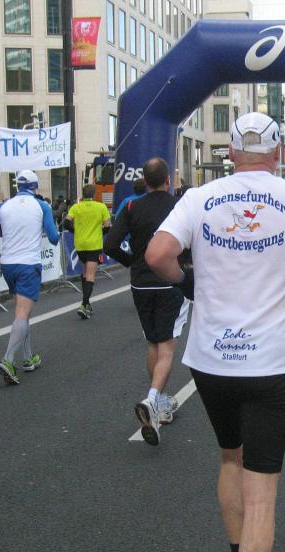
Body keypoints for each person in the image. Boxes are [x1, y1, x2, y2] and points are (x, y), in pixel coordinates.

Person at [144, 112, 285, 552]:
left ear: (231, 152)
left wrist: (186, 281)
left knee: (230, 459)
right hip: (270, 364)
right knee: (262, 493)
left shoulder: (199, 198)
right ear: (278, 153)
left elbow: (156, 254)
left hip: (211, 361)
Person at [105, 158, 188, 444]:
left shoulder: (131, 207)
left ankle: (161, 401)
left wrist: (132, 262)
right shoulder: (179, 206)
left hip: (140, 282)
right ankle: (154, 399)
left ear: (144, 180)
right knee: (167, 346)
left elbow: (110, 244)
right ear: (167, 180)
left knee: (153, 342)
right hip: (170, 280)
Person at [0, 170, 60, 384]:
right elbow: (53, 238)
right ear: (35, 186)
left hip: (8, 265)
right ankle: (8, 360)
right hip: (28, 264)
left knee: (23, 312)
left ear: (17, 186)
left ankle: (28, 357)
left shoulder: (4, 205)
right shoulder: (42, 206)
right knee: (22, 313)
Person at [64, 184, 111, 319]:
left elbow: (66, 223)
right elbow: (107, 226)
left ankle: (87, 304)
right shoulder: (101, 207)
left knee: (85, 272)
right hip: (94, 244)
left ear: (83, 194)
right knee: (90, 275)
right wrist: (100, 232)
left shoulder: (75, 207)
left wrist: (75, 231)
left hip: (80, 244)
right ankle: (84, 305)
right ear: (94, 194)